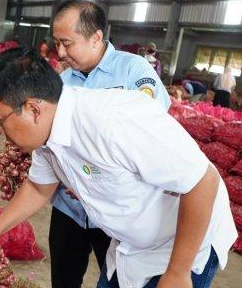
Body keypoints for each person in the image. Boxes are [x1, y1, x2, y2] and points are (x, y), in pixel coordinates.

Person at [0, 48, 237, 288]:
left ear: (33, 109)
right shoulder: (47, 137)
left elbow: (203, 181)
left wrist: (177, 272)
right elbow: (38, 187)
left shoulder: (111, 123)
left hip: (181, 247)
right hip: (131, 247)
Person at [48, 2, 172, 287]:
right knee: (63, 280)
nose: (61, 53)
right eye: (57, 43)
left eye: (67, 43)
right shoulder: (63, 81)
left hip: (117, 215)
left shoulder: (134, 72)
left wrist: (93, 175)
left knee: (117, 280)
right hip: (70, 211)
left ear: (96, 37)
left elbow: (150, 136)